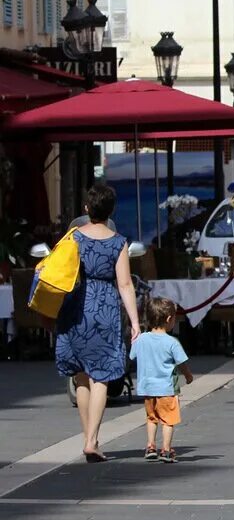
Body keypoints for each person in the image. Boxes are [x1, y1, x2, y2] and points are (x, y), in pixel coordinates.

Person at [55, 184, 139, 463]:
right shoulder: (118, 242)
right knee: (101, 375)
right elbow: (125, 284)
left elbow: (58, 271)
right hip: (105, 309)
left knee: (80, 374)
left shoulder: (73, 238)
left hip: (76, 306)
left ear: (87, 209)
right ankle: (92, 440)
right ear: (112, 210)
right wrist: (136, 323)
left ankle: (86, 437)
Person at [131, 297, 195, 463]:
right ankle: (166, 450)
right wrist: (188, 376)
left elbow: (132, 356)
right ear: (168, 319)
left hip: (147, 388)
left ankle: (150, 446)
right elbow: (182, 363)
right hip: (166, 388)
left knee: (151, 418)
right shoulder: (172, 342)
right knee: (168, 420)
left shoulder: (141, 339)